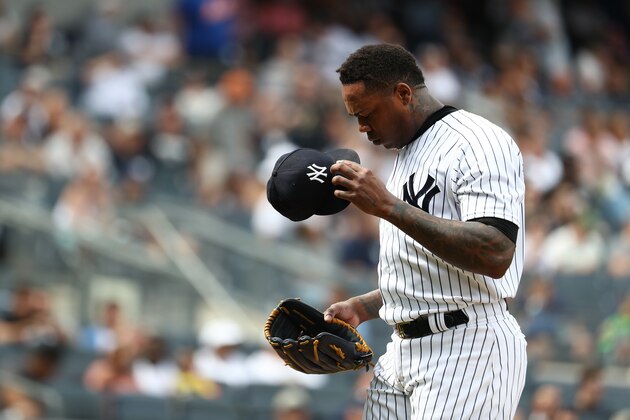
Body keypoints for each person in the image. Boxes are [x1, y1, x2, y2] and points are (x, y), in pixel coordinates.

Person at [322, 44, 527, 419]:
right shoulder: (407, 153)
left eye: (367, 114)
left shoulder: (477, 142)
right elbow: (435, 270)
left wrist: (389, 207)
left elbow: (496, 252)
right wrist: (364, 306)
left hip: (467, 347)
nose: (361, 127)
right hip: (402, 349)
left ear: (402, 94)